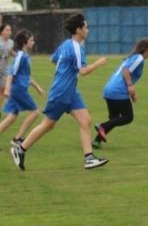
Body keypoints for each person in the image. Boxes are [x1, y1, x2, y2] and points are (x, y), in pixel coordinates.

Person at [9, 13, 108, 171]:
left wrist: (64, 68)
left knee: (86, 121)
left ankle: (89, 158)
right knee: (48, 125)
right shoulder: (76, 47)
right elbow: (83, 71)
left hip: (71, 91)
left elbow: (53, 59)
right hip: (61, 91)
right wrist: (99, 63)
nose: (88, 30)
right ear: (78, 30)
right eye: (86, 27)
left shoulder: (66, 44)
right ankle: (20, 149)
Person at [93, 38, 148, 148]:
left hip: (109, 90)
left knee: (114, 119)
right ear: (146, 49)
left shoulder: (133, 57)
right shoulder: (139, 58)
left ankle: (96, 141)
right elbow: (126, 71)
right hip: (118, 91)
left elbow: (128, 74)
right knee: (128, 117)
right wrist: (130, 86)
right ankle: (102, 126)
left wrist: (133, 94)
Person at [1, 30, 45, 146]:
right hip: (18, 90)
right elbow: (11, 73)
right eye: (31, 40)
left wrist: (37, 87)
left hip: (18, 89)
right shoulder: (21, 56)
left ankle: (18, 138)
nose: (33, 42)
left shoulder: (25, 56)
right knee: (35, 112)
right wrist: (7, 89)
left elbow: (27, 76)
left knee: (12, 116)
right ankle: (18, 139)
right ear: (25, 43)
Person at [0, 22, 14, 116]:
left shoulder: (11, 42)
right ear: (1, 32)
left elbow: (10, 52)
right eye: (7, 30)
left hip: (4, 70)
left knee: (2, 90)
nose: (9, 32)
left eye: (10, 30)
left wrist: (17, 55)